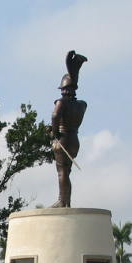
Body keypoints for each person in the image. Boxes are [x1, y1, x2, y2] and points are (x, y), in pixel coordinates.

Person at [48, 50, 88, 208]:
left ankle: (62, 200)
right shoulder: (82, 105)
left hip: (63, 139)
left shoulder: (61, 103)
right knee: (66, 171)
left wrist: (54, 132)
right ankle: (66, 201)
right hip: (74, 139)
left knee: (62, 171)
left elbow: (55, 116)